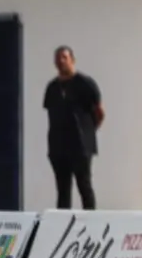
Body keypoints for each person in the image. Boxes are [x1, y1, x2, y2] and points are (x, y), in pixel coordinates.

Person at [44, 46, 104, 210]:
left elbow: (99, 112)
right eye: (58, 58)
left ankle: (91, 223)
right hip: (58, 147)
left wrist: (88, 131)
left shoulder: (85, 84)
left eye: (64, 57)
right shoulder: (52, 88)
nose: (61, 61)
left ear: (72, 60)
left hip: (80, 146)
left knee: (84, 186)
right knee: (62, 190)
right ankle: (63, 226)